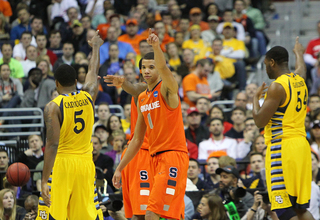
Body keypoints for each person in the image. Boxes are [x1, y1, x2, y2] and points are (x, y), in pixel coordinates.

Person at [112, 29, 189, 220]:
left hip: (172, 156)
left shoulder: (167, 90)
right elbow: (137, 139)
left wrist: (156, 47)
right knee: (170, 215)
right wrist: (120, 168)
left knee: (151, 214)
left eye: (151, 67)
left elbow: (164, 70)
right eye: (144, 67)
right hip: (155, 159)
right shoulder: (142, 99)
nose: (147, 70)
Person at [40, 30, 104, 219]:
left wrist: (44, 180)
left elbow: (52, 145)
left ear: (56, 83)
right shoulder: (89, 95)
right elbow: (93, 71)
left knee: (53, 214)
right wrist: (96, 46)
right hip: (85, 163)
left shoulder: (53, 107)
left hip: (63, 164)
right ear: (76, 81)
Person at [252, 37, 313, 220]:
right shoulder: (299, 80)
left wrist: (255, 100)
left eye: (265, 64)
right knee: (300, 209)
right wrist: (298, 53)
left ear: (272, 62)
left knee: (284, 209)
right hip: (301, 147)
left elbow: (259, 121)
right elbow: (301, 68)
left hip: (283, 148)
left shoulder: (277, 86)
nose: (265, 68)